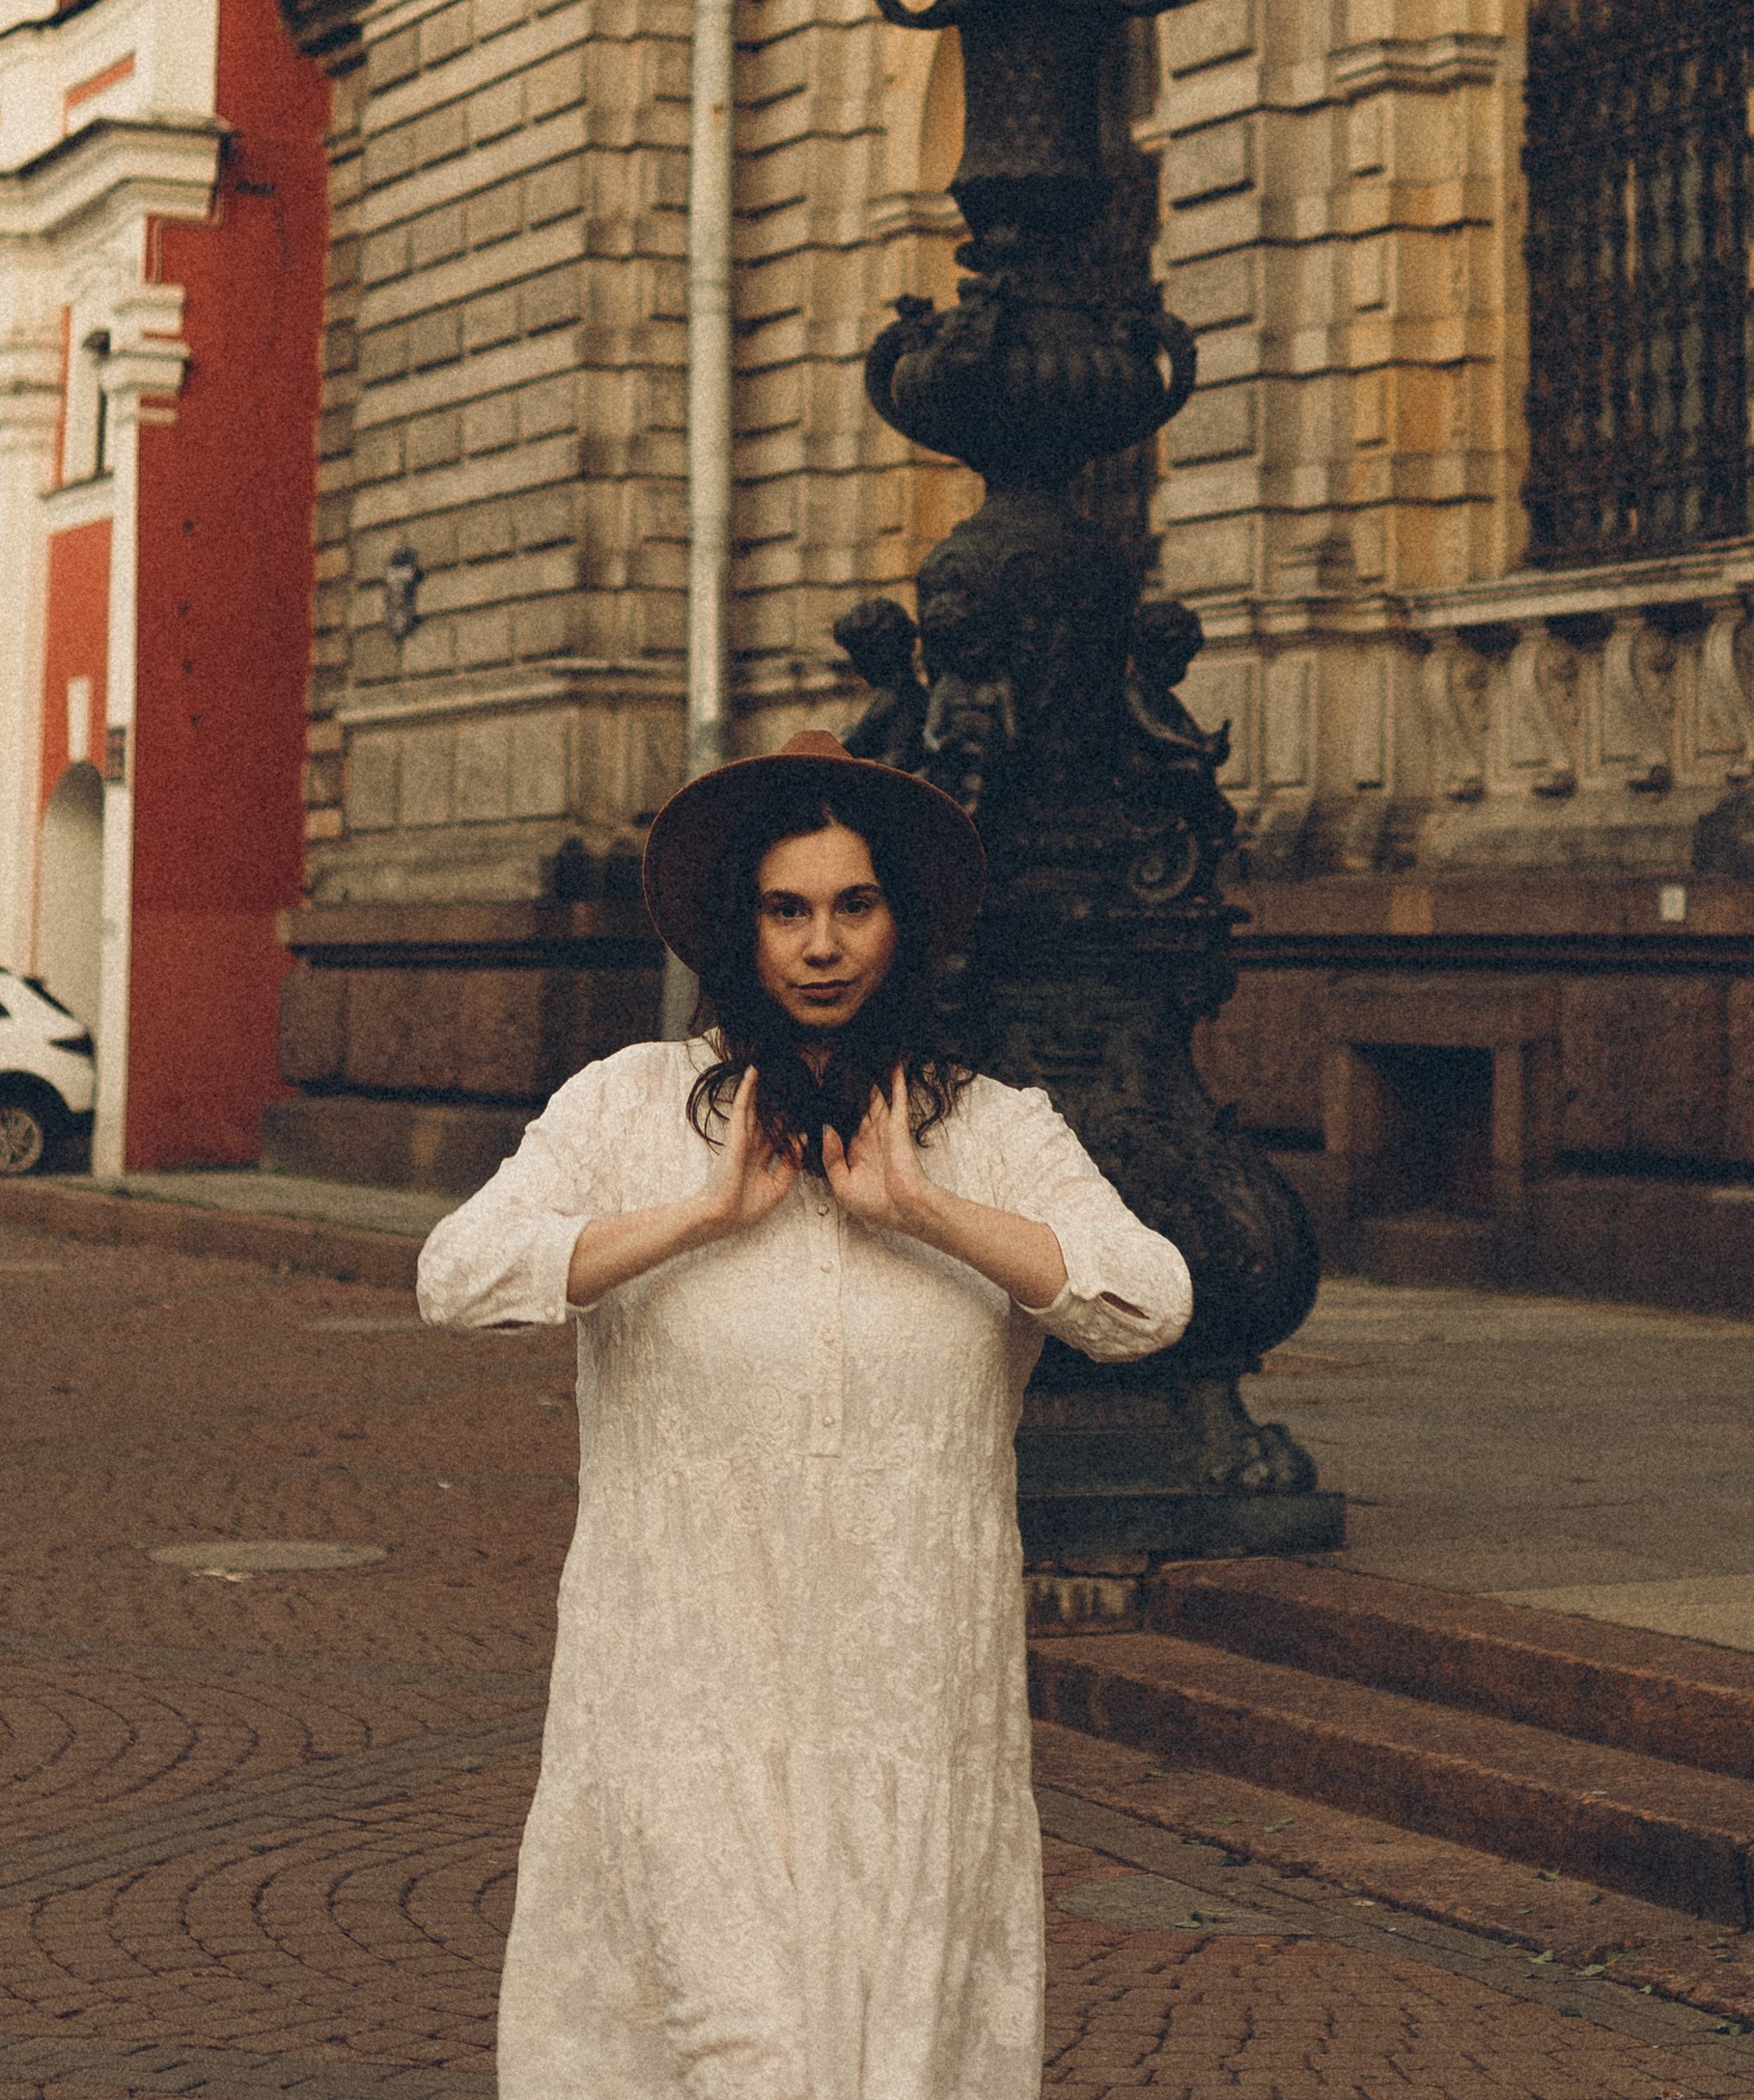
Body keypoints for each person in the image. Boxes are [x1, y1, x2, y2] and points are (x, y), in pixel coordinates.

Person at [415, 725, 1192, 2100]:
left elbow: (1150, 1303)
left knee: (900, 2058)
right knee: (742, 2055)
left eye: (854, 906)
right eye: (787, 910)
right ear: (742, 928)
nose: (822, 947)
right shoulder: (627, 1106)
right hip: (682, 1701)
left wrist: (927, 1211)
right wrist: (696, 1218)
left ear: (904, 923)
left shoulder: (996, 1127)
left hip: (913, 1709)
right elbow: (457, 1277)